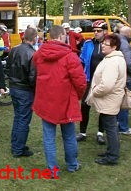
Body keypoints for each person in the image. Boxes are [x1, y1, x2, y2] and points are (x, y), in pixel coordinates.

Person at [32, 25, 87, 174]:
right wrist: (78, 96)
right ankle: (72, 164)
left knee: (49, 137)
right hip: (65, 101)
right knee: (69, 135)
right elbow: (81, 81)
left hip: (46, 100)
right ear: (62, 36)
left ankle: (52, 170)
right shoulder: (70, 56)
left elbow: (35, 65)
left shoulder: (40, 53)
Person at [85, 34, 126, 165]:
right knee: (110, 127)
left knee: (111, 127)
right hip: (111, 99)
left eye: (106, 44)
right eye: (103, 43)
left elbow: (107, 85)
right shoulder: (112, 58)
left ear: (114, 47)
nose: (102, 45)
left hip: (109, 99)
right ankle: (111, 152)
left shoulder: (113, 61)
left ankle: (112, 156)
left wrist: (94, 91)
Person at [7, 27, 37, 157]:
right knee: (23, 119)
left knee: (18, 117)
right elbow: (33, 76)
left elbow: (7, 68)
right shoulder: (32, 53)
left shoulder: (14, 49)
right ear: (35, 38)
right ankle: (18, 148)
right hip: (25, 89)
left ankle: (16, 144)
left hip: (14, 87)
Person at [77, 20, 108, 144]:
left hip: (104, 80)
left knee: (103, 107)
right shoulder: (88, 43)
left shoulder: (110, 44)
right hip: (89, 79)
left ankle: (100, 132)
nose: (96, 33)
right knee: (85, 105)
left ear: (105, 31)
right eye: (94, 31)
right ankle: (82, 132)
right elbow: (82, 61)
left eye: (99, 31)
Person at [117, 26, 131, 135]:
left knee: (116, 101)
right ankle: (123, 127)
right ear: (128, 34)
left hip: (116, 76)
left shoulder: (115, 40)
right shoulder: (124, 44)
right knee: (124, 102)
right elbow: (129, 62)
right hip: (125, 77)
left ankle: (116, 123)